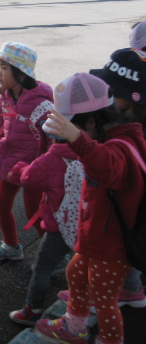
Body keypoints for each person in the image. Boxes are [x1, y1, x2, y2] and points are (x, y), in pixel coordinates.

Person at [35, 72, 146, 344]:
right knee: (75, 273)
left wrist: (78, 139)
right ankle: (74, 327)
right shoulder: (114, 138)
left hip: (113, 245)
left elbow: (108, 167)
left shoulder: (118, 148)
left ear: (92, 122)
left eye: (74, 130)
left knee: (104, 300)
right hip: (98, 236)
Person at [0, 42, 53, 261]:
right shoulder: (4, 98)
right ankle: (11, 246)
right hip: (10, 163)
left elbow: (52, 138)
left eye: (4, 68)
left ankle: (55, 255)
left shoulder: (42, 104)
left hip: (34, 167)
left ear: (22, 73)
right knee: (1, 205)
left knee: (34, 212)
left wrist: (46, 166)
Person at [5, 130, 79, 325]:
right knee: (85, 265)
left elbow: (28, 178)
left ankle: (33, 309)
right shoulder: (91, 153)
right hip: (87, 223)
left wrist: (20, 167)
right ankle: (85, 302)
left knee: (41, 269)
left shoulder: (51, 158)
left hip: (59, 225)